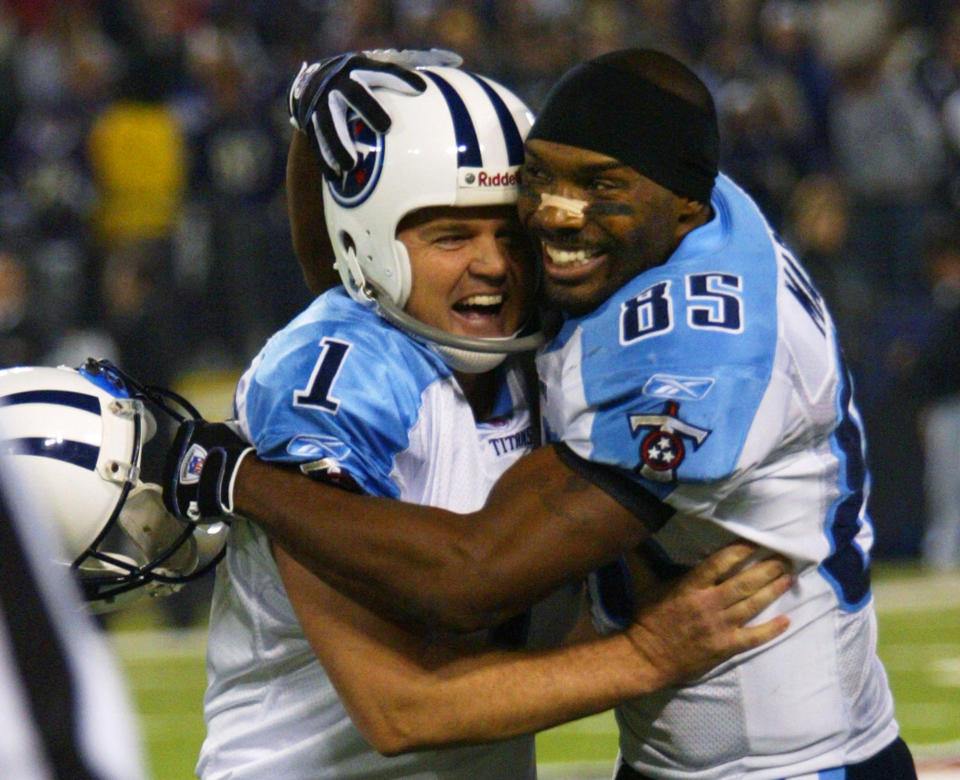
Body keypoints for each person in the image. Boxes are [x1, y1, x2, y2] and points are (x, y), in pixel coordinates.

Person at [164, 49, 909, 778]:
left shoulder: (692, 348)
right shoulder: (617, 256)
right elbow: (364, 275)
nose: (555, 217)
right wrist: (316, 127)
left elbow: (471, 576)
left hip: (790, 763)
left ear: (685, 199)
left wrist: (232, 476)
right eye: (542, 181)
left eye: (595, 186)